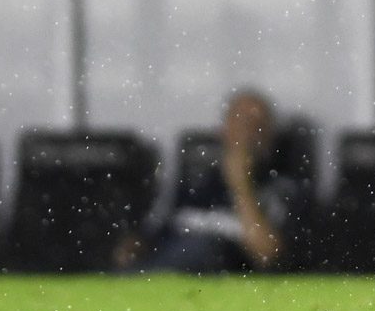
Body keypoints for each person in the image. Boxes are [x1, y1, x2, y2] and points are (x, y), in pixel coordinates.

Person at [116, 91, 304, 273]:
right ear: (224, 131)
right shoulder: (195, 183)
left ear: (271, 136)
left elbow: (268, 255)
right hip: (163, 272)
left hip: (220, 282)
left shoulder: (282, 188)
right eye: (242, 124)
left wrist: (241, 185)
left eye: (258, 125)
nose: (248, 135)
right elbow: (147, 236)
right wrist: (131, 247)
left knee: (204, 246)